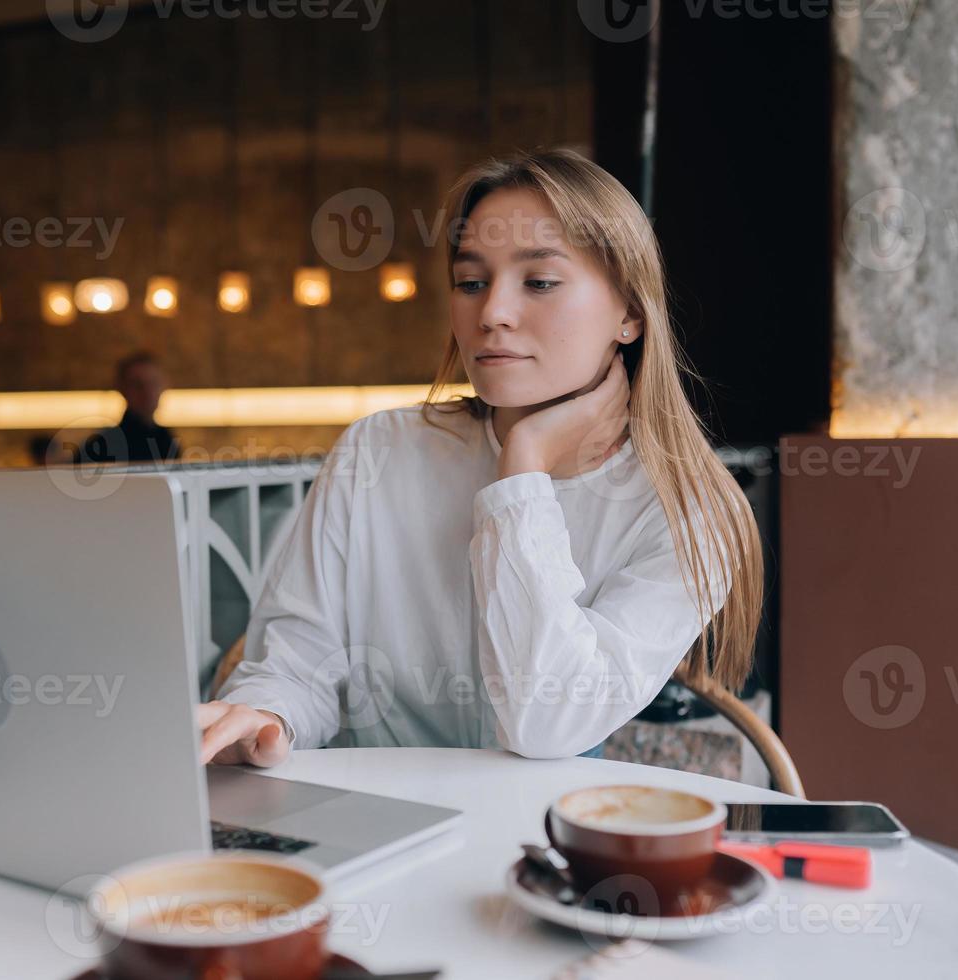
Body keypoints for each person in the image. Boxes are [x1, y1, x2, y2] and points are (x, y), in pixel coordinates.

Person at [199, 148, 763, 768]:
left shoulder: (693, 514)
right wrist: (267, 714)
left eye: (540, 283)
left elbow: (546, 722)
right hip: (377, 824)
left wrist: (522, 472)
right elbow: (297, 663)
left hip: (543, 842)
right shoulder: (379, 452)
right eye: (471, 283)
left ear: (630, 312)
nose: (491, 314)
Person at [78, 350, 181, 464]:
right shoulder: (101, 446)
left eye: (154, 383)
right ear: (121, 389)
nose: (147, 392)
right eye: (137, 385)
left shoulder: (167, 439)